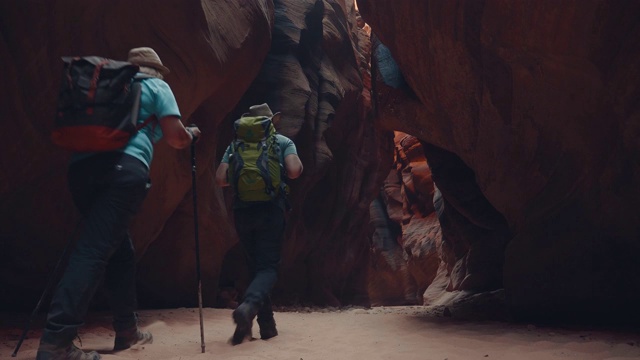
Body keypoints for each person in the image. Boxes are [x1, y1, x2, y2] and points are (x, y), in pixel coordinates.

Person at [36, 47, 202, 360]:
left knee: (119, 251)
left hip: (81, 171)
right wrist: (191, 135)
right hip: (123, 173)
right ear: (157, 70)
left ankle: (127, 330)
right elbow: (176, 138)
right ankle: (56, 342)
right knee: (94, 249)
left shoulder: (110, 87)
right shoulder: (156, 86)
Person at [215, 103, 303, 345]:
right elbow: (295, 171)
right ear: (271, 122)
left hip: (243, 211)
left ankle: (266, 327)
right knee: (268, 268)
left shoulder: (236, 145)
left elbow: (220, 179)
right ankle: (249, 306)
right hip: (271, 210)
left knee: (254, 267)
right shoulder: (282, 142)